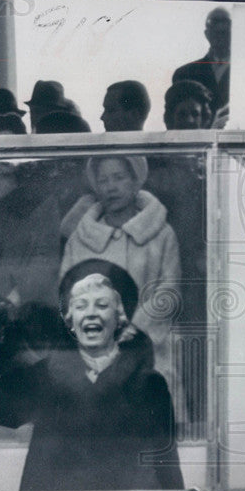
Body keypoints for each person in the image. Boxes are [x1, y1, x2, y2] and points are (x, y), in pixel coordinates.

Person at [0, 259, 185, 491]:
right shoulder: (46, 376)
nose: (91, 314)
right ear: (70, 319)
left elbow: (168, 471)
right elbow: (3, 410)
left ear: (119, 317)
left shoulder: (150, 387)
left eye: (102, 305)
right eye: (81, 306)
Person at [60, 156, 181, 386]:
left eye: (118, 178)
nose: (111, 187)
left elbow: (169, 291)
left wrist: (134, 330)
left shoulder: (162, 234)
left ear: (135, 182)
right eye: (103, 180)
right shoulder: (80, 238)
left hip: (151, 351)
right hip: (94, 352)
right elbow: (67, 293)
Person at [172, 7, 230, 126]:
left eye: (224, 31)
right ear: (207, 34)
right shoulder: (184, 74)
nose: (220, 31)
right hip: (196, 142)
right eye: (216, 30)